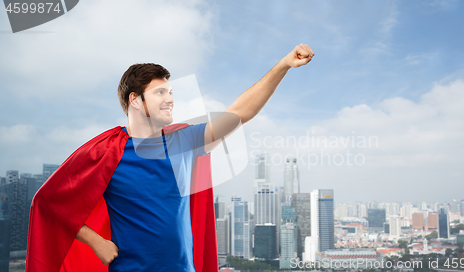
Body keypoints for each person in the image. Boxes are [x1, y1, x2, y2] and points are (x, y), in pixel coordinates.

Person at [26, 43, 314, 272]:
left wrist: (284, 64)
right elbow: (48, 202)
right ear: (135, 100)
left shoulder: (183, 142)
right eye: (160, 92)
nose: (170, 98)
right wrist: (97, 242)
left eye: (171, 91)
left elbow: (240, 113)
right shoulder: (107, 151)